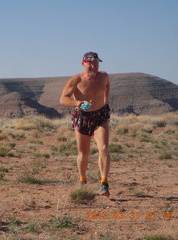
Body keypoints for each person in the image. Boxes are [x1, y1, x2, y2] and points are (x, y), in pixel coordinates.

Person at [59, 52, 111, 196]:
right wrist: (79, 103)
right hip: (83, 116)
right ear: (83, 63)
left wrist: (105, 103)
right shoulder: (76, 79)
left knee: (104, 148)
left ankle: (104, 183)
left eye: (96, 63)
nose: (93, 66)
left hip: (101, 115)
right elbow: (63, 99)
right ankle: (82, 179)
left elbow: (107, 87)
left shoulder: (104, 76)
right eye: (90, 63)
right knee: (84, 153)